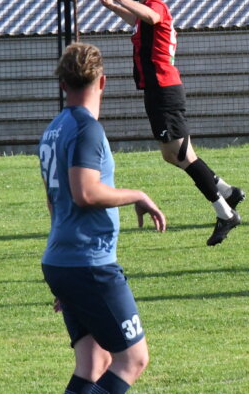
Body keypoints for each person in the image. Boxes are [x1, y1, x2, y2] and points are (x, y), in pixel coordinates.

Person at [39, 42, 167, 394]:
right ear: (103, 82)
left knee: (94, 362)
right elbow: (85, 192)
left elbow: (54, 202)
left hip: (64, 261)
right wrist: (138, 195)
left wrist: (68, 280)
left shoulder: (53, 129)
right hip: (89, 263)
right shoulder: (86, 129)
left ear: (62, 84)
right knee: (133, 359)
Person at [99, 0, 245, 246]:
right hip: (160, 91)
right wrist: (113, 6)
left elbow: (150, 16)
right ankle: (228, 192)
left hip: (164, 90)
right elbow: (138, 20)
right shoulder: (146, 12)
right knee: (173, 154)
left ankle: (225, 213)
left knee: (181, 155)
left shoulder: (156, 6)